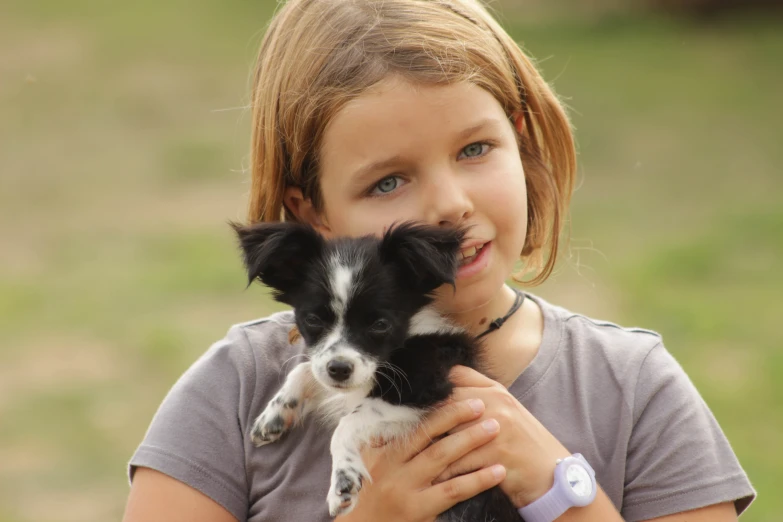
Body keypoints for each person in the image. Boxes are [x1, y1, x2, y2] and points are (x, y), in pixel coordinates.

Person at [122, 1, 756, 521]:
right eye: (388, 183)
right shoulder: (236, 392)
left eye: (476, 148)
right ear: (312, 214)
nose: (450, 205)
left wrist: (560, 490)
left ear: (522, 140)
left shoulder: (631, 389)